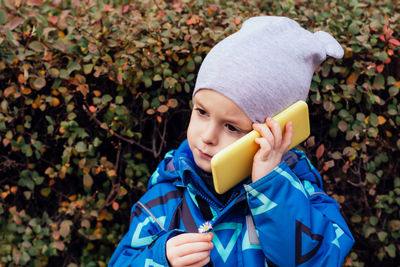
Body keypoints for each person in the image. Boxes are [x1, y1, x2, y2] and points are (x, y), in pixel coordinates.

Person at [108, 16, 354, 266]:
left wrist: (271, 186)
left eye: (232, 127)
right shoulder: (165, 199)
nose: (207, 136)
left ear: (271, 130)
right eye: (202, 112)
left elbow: (322, 259)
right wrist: (160, 257)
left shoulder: (300, 193)